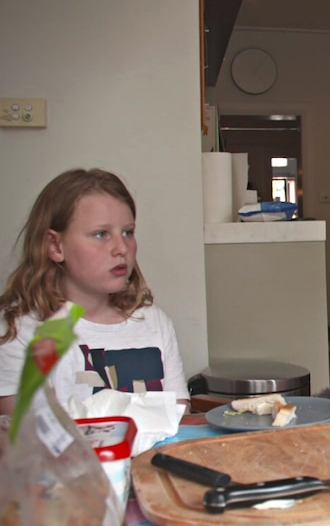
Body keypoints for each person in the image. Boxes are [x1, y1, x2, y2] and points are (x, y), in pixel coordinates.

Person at [0, 168, 190, 414]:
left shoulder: (154, 321)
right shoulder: (19, 330)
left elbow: (178, 417)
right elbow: (25, 440)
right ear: (56, 246)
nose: (121, 248)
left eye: (128, 232)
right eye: (101, 234)